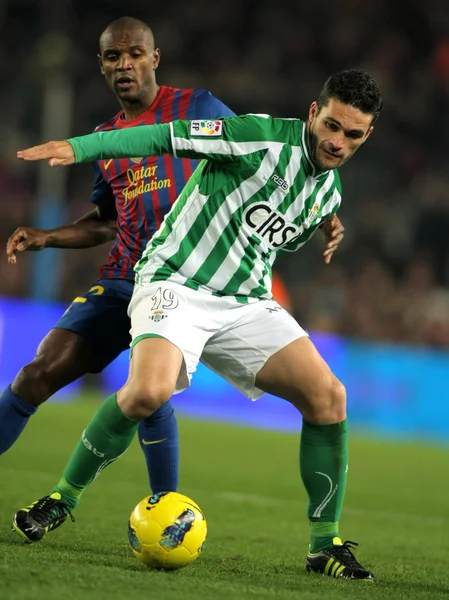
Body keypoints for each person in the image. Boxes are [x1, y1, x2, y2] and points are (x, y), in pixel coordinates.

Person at [13, 68, 375, 580]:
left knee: (329, 398)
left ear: (367, 135)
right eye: (332, 126)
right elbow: (164, 135)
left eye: (353, 134)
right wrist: (79, 148)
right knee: (146, 393)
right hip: (175, 283)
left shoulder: (328, 194)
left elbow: (292, 207)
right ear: (314, 113)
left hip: (245, 302)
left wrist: (324, 221)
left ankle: (324, 544)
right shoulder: (257, 136)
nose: (338, 142)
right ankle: (61, 499)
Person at [0, 16, 237, 496]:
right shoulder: (106, 139)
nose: (124, 65)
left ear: (154, 59)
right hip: (124, 277)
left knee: (150, 392)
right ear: (102, 67)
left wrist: (316, 211)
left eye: (134, 54)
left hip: (183, 284)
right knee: (35, 373)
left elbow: (257, 152)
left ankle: (164, 507)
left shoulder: (196, 106)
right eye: (113, 57)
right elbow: (108, 219)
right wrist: (48, 236)